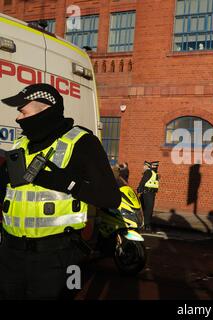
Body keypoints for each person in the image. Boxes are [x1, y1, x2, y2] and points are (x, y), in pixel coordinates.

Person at [0, 83, 121, 299]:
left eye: (22, 110)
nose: (18, 118)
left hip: (60, 256)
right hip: (11, 254)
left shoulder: (83, 143)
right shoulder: (19, 144)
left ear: (45, 109)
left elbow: (110, 197)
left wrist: (68, 183)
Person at [137, 161, 160, 232]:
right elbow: (143, 181)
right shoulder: (149, 172)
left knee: (147, 209)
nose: (156, 167)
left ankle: (144, 224)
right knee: (148, 209)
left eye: (156, 166)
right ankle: (146, 225)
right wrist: (139, 189)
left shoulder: (154, 173)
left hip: (151, 194)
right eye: (155, 166)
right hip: (147, 193)